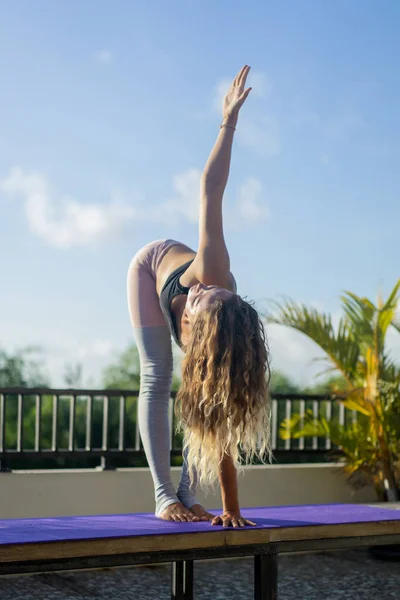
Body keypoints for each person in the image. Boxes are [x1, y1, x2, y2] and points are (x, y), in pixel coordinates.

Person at [127, 65, 271, 528]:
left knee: (205, 400)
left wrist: (232, 509)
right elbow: (211, 190)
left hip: (211, 348)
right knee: (157, 374)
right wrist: (228, 122)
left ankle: (190, 495)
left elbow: (224, 426)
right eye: (208, 291)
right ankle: (165, 494)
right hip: (150, 268)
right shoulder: (212, 269)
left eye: (206, 295)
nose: (203, 287)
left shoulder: (215, 349)